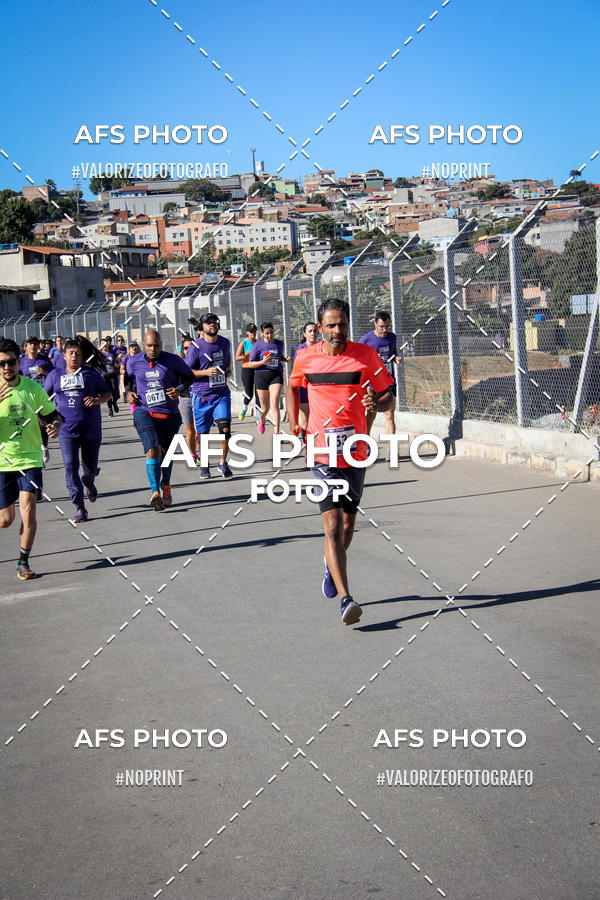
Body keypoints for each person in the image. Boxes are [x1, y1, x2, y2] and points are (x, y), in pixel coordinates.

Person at [286, 298, 394, 625]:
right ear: (319, 327)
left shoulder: (365, 355)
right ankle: (346, 599)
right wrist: (295, 424)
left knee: (348, 525)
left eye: (342, 324)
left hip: (355, 449)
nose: (337, 330)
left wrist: (376, 399)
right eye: (331, 325)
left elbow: (389, 394)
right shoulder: (305, 358)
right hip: (321, 451)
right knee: (331, 525)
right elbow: (292, 387)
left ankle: (330, 567)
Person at [0, 337, 62, 579]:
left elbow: (53, 416)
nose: (7, 368)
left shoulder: (33, 389)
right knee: (5, 520)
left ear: (19, 361)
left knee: (28, 510)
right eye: (2, 364)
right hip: (4, 461)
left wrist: (55, 426)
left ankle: (23, 561)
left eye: (11, 362)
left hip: (30, 460)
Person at [44, 337, 111, 523]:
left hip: (90, 429)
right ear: (64, 356)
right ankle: (80, 507)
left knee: (88, 469)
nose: (74, 356)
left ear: (83, 357)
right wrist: (47, 420)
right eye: (71, 353)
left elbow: (108, 393)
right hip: (66, 430)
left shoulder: (91, 374)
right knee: (70, 468)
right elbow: (43, 399)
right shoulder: (55, 375)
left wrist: (97, 400)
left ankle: (89, 481)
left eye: (78, 354)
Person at [125, 329, 194, 510]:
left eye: (156, 345)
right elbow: (127, 378)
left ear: (161, 345)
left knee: (166, 454)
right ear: (143, 345)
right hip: (144, 411)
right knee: (153, 450)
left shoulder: (172, 360)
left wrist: (179, 389)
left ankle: (167, 485)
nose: (153, 349)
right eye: (149, 345)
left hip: (169, 414)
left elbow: (190, 377)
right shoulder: (134, 361)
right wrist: (128, 393)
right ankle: (155, 493)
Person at [184, 313, 233, 479]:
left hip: (221, 394)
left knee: (224, 429)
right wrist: (205, 372)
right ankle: (204, 465)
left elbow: (227, 361)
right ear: (202, 328)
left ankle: (222, 462)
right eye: (208, 323)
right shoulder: (195, 347)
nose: (212, 324)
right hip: (202, 396)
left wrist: (227, 370)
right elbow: (186, 372)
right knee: (203, 434)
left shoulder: (225, 343)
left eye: (214, 322)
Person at [359, 310, 402, 441]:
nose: (384, 329)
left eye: (387, 326)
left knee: (389, 415)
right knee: (371, 415)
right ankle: (364, 443)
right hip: (372, 383)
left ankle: (391, 449)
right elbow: (357, 359)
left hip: (389, 382)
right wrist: (371, 360)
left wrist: (397, 358)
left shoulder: (392, 337)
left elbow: (393, 351)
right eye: (381, 326)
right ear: (375, 325)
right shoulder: (366, 340)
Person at [247, 322, 290, 435]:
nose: (269, 335)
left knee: (275, 403)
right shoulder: (257, 345)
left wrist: (286, 359)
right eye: (267, 333)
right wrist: (263, 362)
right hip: (261, 376)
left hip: (276, 375)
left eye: (271, 332)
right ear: (262, 334)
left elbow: (279, 357)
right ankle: (261, 419)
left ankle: (277, 433)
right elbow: (250, 364)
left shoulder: (279, 343)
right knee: (265, 408)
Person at [19, 336, 54, 465]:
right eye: (30, 344)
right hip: (27, 397)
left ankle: (44, 446)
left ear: (38, 346)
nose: (32, 346)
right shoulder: (21, 362)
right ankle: (32, 450)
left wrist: (44, 372)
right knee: (28, 424)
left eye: (35, 344)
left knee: (42, 424)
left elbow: (53, 374)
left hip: (42, 396)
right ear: (26, 347)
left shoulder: (44, 360)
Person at [292, 322, 318, 441]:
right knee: (306, 419)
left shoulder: (322, 348)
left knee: (318, 418)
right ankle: (308, 444)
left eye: (314, 331)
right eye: (310, 331)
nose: (313, 333)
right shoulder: (300, 350)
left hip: (318, 388)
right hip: (304, 388)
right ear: (304, 334)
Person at [178, 335, 197, 463]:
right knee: (190, 432)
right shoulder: (178, 364)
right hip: (185, 399)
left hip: (199, 399)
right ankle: (193, 454)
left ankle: (202, 453)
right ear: (182, 350)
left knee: (200, 430)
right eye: (185, 348)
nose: (188, 350)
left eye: (191, 348)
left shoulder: (200, 361)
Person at [235, 322, 259, 421]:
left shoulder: (259, 342)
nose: (253, 334)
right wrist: (248, 354)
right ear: (247, 333)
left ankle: (258, 416)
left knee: (259, 393)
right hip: (247, 369)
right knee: (249, 394)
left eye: (254, 331)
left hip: (257, 369)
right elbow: (237, 357)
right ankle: (244, 408)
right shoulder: (244, 343)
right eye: (251, 332)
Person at [100, 336, 120, 416]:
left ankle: (114, 402)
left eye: (105, 343)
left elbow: (118, 362)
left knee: (115, 391)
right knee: (107, 392)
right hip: (105, 376)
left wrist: (116, 366)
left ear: (107, 344)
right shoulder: (100, 354)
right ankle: (110, 409)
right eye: (102, 344)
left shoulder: (112, 353)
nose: (104, 345)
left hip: (113, 375)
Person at [120, 340, 141, 408]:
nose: (134, 348)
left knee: (139, 395)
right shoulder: (125, 358)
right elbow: (121, 370)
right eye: (132, 347)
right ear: (129, 348)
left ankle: (137, 410)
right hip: (129, 379)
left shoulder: (141, 357)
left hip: (138, 379)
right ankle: (134, 411)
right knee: (133, 396)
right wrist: (128, 372)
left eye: (135, 346)